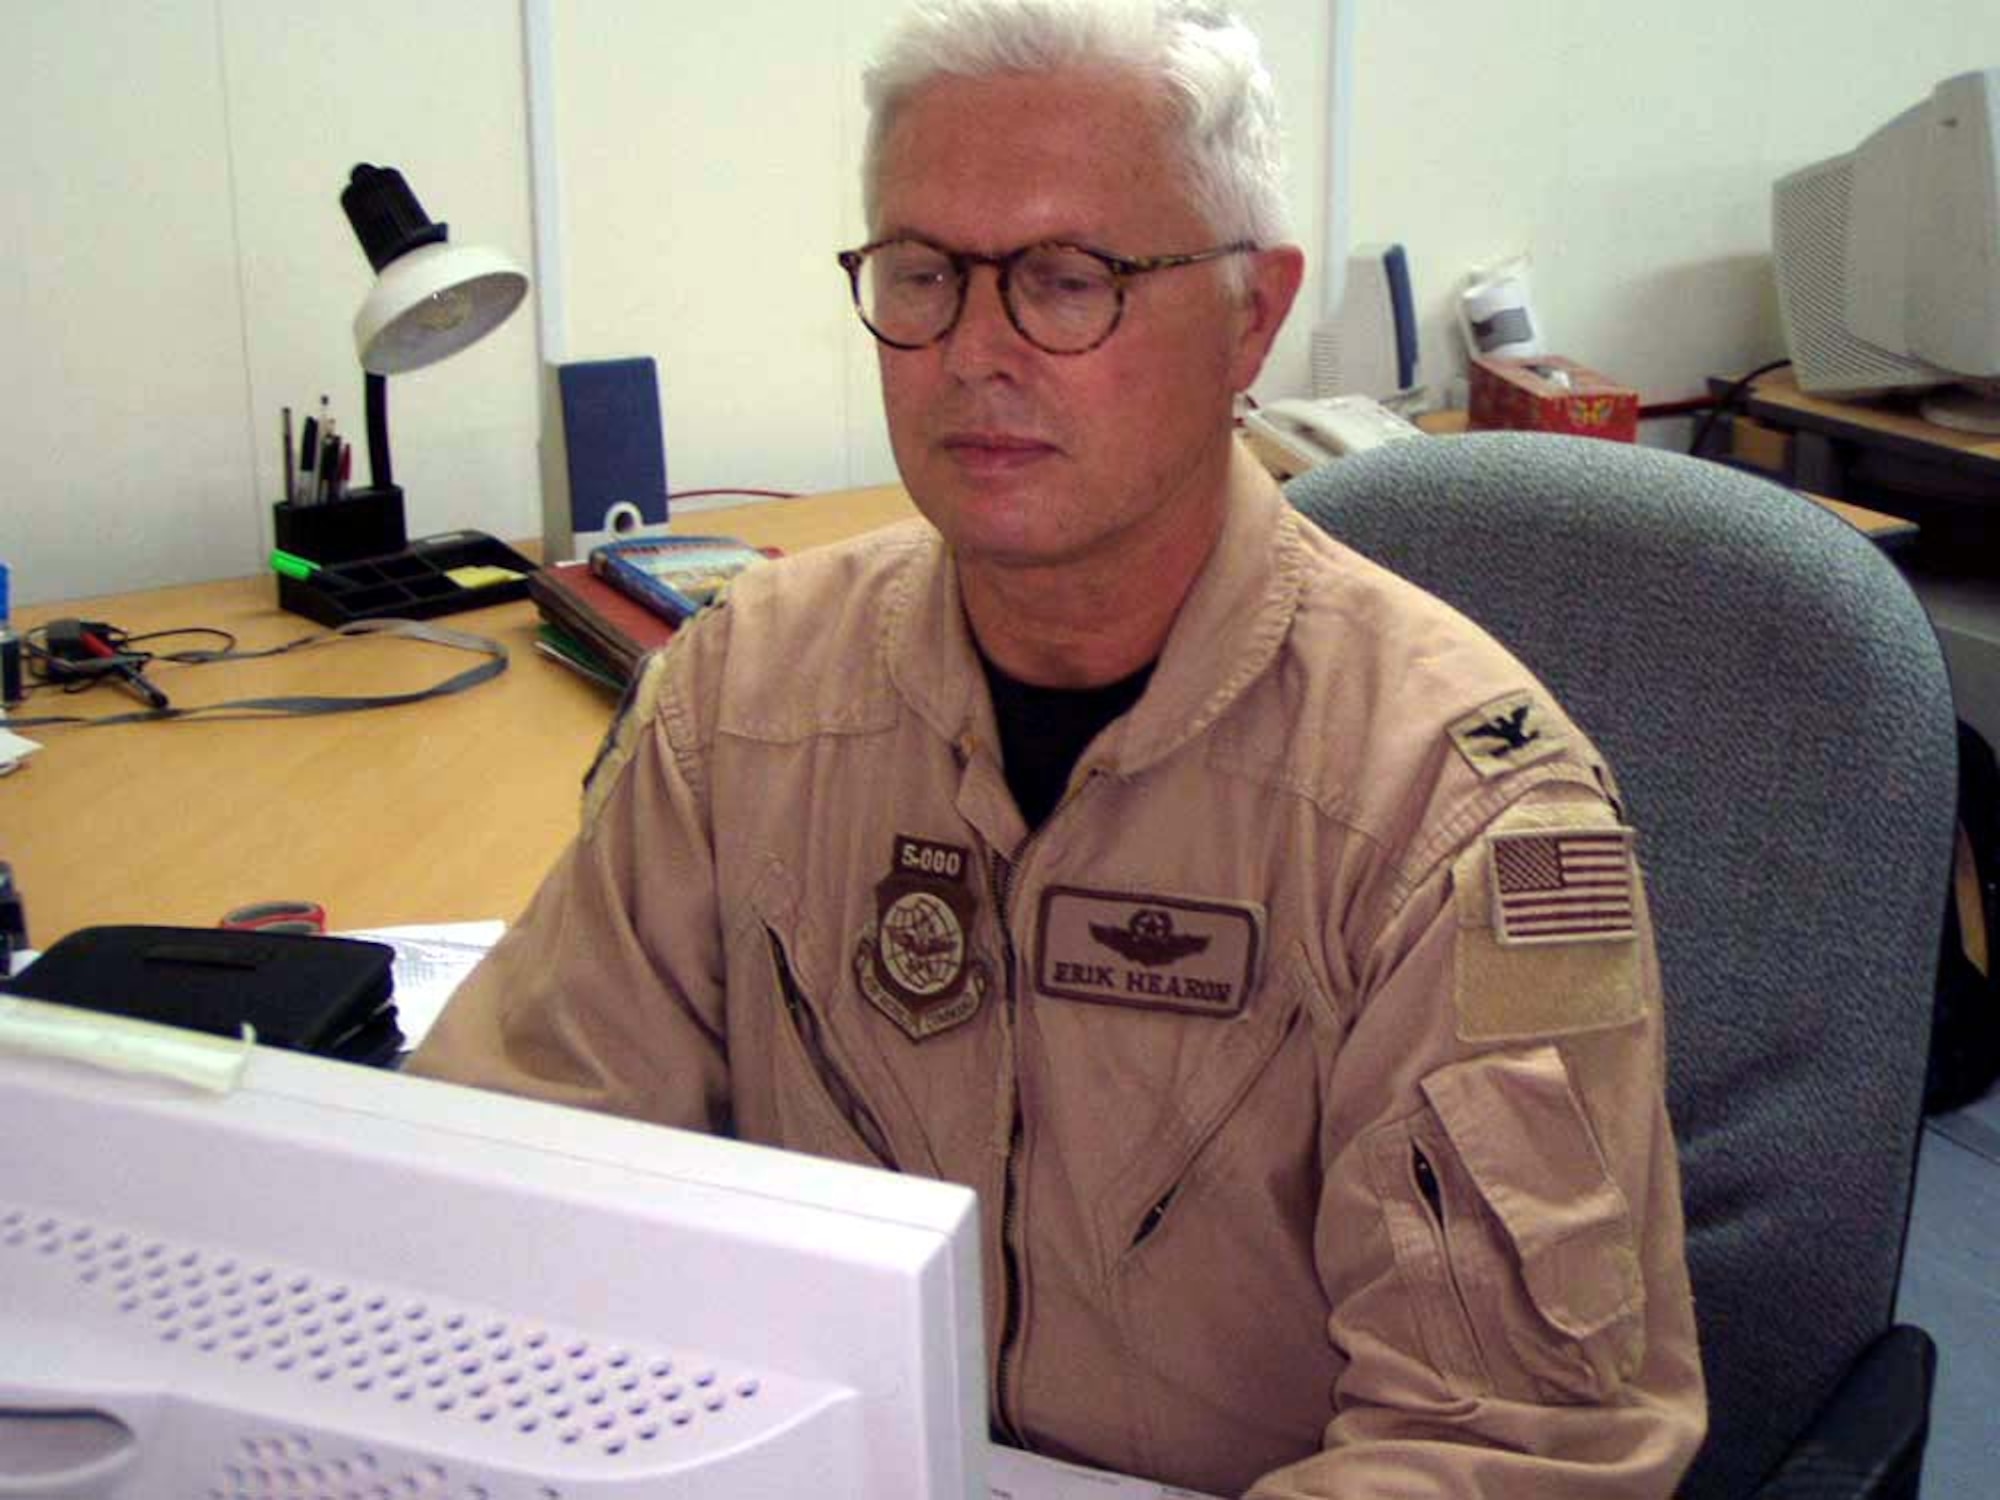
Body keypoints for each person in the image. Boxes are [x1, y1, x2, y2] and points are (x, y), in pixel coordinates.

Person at [411, 1, 1708, 1494]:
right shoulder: (742, 701)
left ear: (1252, 314)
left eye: (1067, 280)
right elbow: (520, 1172)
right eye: (921, 276)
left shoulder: (1457, 811)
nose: (973, 354)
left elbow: (1518, 1450)